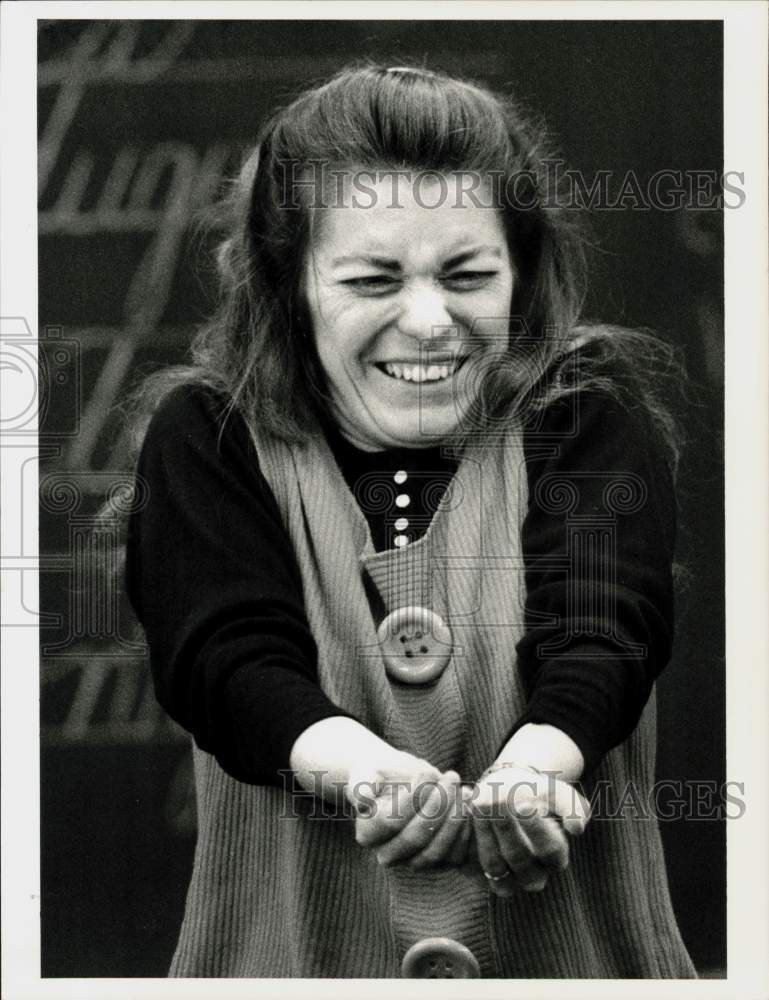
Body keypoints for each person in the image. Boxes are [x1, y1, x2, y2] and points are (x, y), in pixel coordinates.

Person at [123, 64, 697, 978]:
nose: (429, 320)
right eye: (372, 278)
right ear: (291, 284)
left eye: (468, 275)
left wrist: (537, 772)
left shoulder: (583, 410)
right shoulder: (208, 436)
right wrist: (363, 774)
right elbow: (224, 657)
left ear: (521, 270)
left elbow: (602, 627)